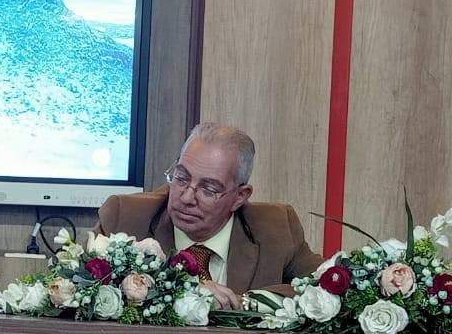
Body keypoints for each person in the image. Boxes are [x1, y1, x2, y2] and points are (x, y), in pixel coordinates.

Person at [96, 123, 322, 307]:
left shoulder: (277, 228)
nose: (186, 197)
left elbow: (325, 288)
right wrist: (185, 290)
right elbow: (82, 287)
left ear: (240, 196)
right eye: (181, 178)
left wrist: (244, 303)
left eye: (208, 189)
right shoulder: (123, 217)